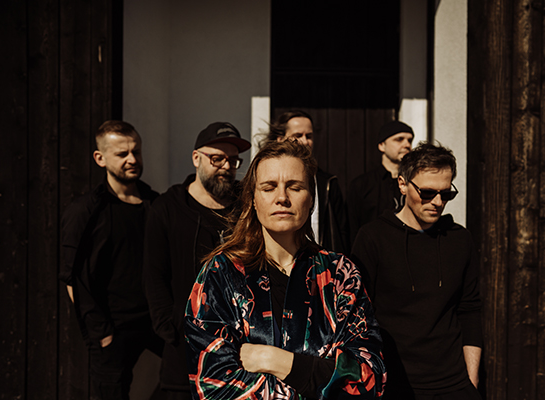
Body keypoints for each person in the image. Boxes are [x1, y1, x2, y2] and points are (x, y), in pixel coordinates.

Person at [185, 140, 385, 399]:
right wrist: (320, 376)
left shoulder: (339, 275)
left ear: (311, 199)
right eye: (269, 187)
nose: (282, 198)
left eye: (295, 187)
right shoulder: (221, 274)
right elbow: (212, 386)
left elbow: (369, 379)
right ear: (253, 199)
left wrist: (275, 360)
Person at [351, 142, 483, 399]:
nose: (437, 202)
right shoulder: (372, 238)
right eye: (427, 192)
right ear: (402, 184)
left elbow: (469, 310)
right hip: (393, 385)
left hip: (453, 384)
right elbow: (359, 316)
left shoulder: (459, 239)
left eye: (446, 194)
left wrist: (471, 379)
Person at [143, 122, 251, 399]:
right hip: (184, 349)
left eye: (233, 160)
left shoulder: (246, 208)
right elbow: (154, 275)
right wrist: (171, 327)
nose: (226, 166)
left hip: (240, 350)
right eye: (217, 158)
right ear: (196, 158)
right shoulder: (167, 208)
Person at [59, 120, 163, 400]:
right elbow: (72, 277)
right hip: (114, 330)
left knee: (191, 377)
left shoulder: (155, 204)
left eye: (136, 151)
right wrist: (102, 334)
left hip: (156, 322)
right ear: (100, 158)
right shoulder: (86, 211)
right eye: (122, 154)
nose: (132, 159)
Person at [261, 110, 349, 254]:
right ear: (280, 139)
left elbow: (342, 231)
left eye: (309, 136)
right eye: (297, 135)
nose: (305, 141)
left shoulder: (328, 183)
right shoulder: (263, 177)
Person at [347, 120, 414, 243]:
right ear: (382, 145)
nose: (407, 145)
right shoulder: (362, 185)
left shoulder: (415, 183)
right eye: (399, 139)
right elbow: (351, 228)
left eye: (409, 140)